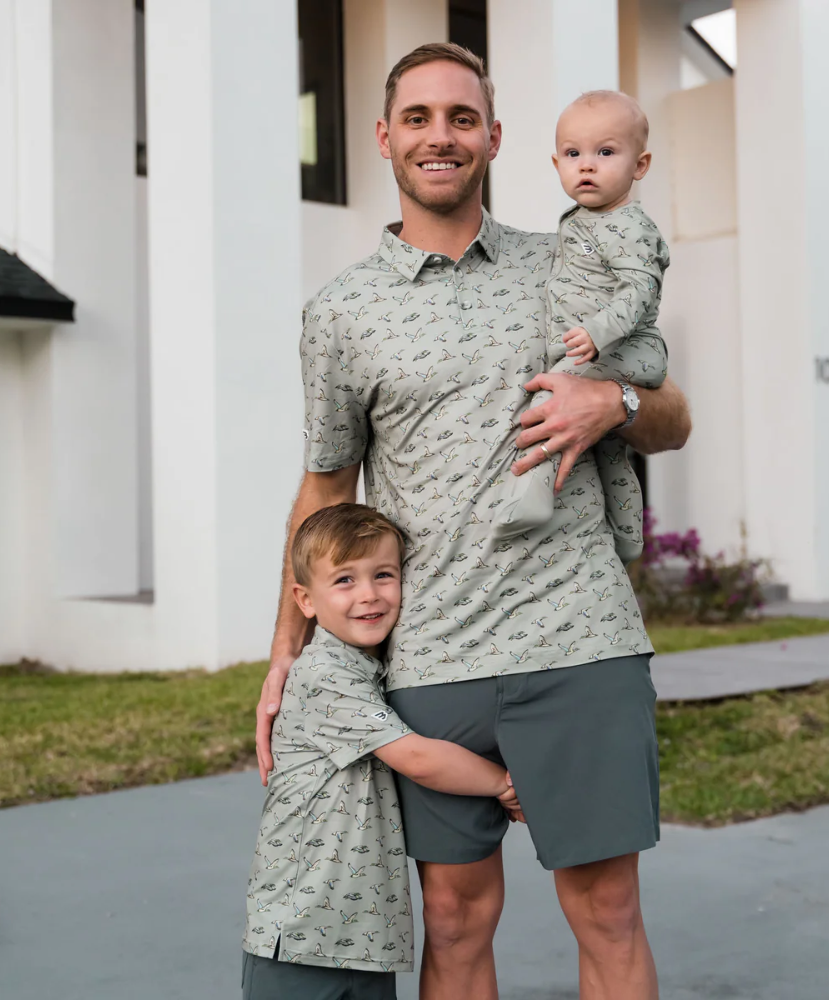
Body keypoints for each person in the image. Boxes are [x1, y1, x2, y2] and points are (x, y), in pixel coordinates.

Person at [257, 43, 691, 1000]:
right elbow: (327, 490)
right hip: (432, 656)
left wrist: (607, 403)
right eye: (417, 118)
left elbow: (671, 416)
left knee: (608, 913)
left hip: (576, 635)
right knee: (453, 924)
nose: (439, 136)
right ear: (383, 138)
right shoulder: (342, 312)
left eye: (461, 117)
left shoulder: (571, 260)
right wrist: (286, 656)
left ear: (493, 138)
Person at [242, 503, 523, 1000]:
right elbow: (418, 758)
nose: (369, 595)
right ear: (305, 600)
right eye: (345, 580)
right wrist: (505, 784)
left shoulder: (375, 671)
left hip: (366, 938)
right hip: (303, 934)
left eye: (383, 575)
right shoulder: (324, 674)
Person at [494, 90, 669, 567]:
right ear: (556, 164)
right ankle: (630, 534)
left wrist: (597, 330)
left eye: (605, 152)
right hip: (600, 348)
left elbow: (640, 290)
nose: (586, 166)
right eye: (573, 154)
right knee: (607, 446)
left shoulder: (629, 225)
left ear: (641, 164)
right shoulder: (582, 222)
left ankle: (527, 494)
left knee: (549, 402)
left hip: (626, 346)